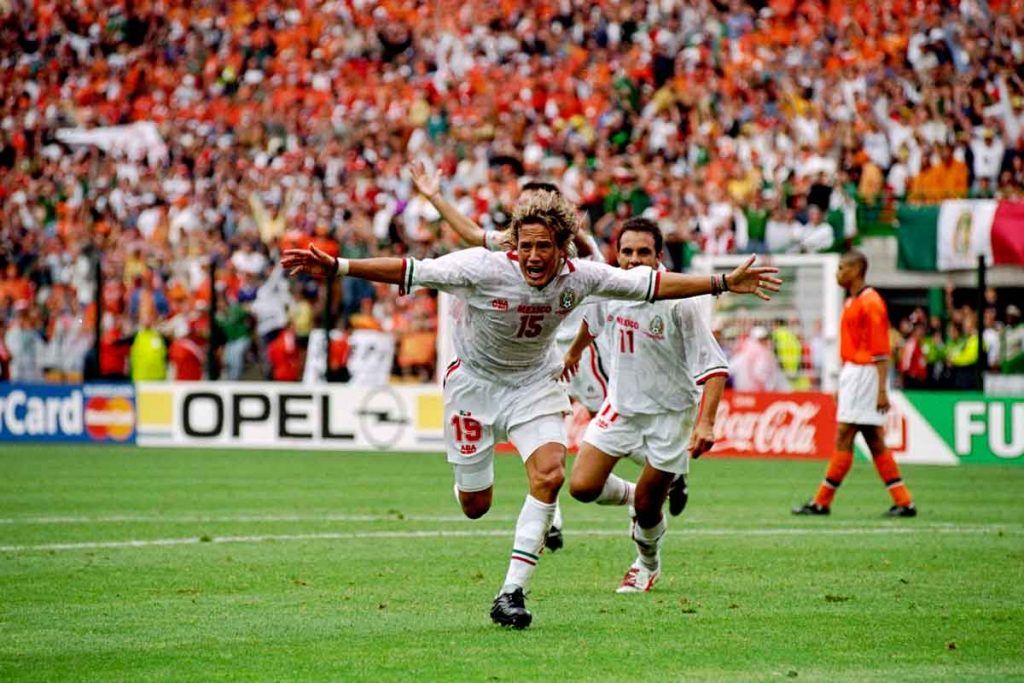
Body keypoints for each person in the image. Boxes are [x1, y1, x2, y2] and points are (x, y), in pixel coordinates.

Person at [282, 190, 781, 629]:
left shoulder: (581, 277)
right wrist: (341, 266)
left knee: (549, 476)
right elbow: (411, 271)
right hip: (473, 388)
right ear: (513, 245)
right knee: (475, 506)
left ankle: (511, 592)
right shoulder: (480, 268)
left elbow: (652, 286)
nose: (534, 256)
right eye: (526, 246)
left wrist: (719, 282)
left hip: (533, 385)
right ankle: (593, 496)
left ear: (563, 247)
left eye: (545, 246)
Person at [408, 161, 610, 551]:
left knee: (600, 426)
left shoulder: (578, 247)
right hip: (524, 350)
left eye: (538, 203)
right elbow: (468, 233)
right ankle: (551, 514)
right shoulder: (513, 243)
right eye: (524, 204)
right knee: (540, 454)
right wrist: (434, 196)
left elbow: (604, 283)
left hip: (574, 345)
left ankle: (650, 475)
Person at [561, 217, 729, 593]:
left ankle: (646, 564)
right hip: (620, 408)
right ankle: (639, 495)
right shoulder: (611, 289)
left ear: (658, 256)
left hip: (669, 417)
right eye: (627, 252)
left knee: (650, 508)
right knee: (582, 487)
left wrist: (706, 424)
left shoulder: (678, 302)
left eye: (643, 253)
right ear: (617, 255)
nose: (634, 260)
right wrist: (573, 353)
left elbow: (715, 366)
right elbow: (592, 322)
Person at [793, 250, 916, 518]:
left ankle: (822, 502)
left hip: (866, 373)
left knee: (845, 434)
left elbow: (881, 350)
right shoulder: (852, 301)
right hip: (854, 373)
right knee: (873, 439)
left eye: (841, 268)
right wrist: (842, 382)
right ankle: (904, 502)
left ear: (857, 270)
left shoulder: (871, 302)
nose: (838, 274)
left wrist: (882, 390)